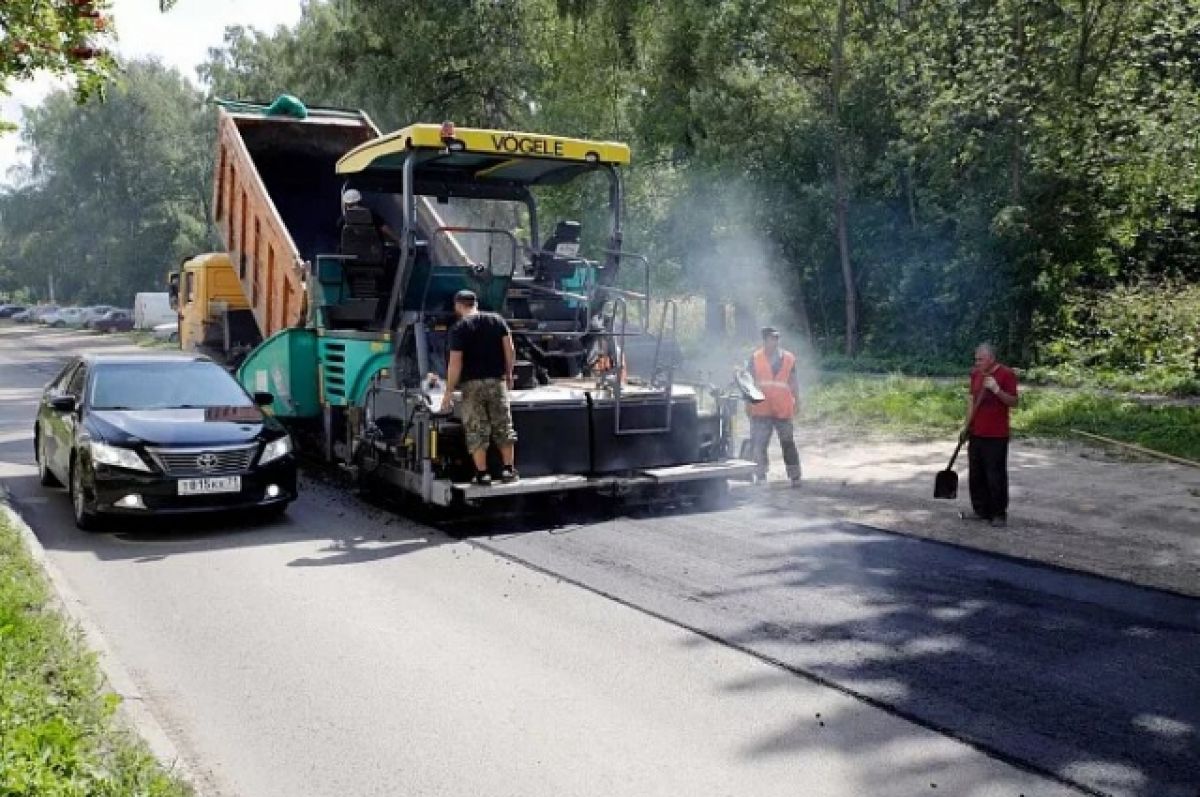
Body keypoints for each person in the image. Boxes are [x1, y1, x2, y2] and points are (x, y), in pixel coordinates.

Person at [438, 290, 519, 485]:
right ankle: (508, 470)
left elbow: (455, 363)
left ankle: (482, 474)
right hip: (496, 382)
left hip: (471, 385)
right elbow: (510, 350)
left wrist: (448, 392)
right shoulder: (497, 321)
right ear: (475, 303)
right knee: (503, 425)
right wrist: (508, 374)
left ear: (458, 306)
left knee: (476, 429)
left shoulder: (459, 329)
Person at [961, 342, 1019, 527]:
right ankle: (981, 511)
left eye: (980, 359)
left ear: (991, 358)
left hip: (996, 435)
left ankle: (999, 514)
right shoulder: (976, 374)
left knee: (995, 476)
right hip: (976, 432)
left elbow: (1014, 402)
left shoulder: (1006, 374)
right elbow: (971, 400)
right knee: (976, 475)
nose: (977, 362)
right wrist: (966, 426)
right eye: (976, 359)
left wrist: (996, 389)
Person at [743, 326, 801, 487]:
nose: (774, 341)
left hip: (782, 407)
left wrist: (798, 400)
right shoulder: (755, 358)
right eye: (771, 338)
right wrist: (748, 404)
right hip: (761, 407)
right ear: (764, 340)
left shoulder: (789, 358)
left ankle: (795, 476)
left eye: (776, 338)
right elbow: (748, 384)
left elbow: (794, 381)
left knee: (788, 442)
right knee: (759, 443)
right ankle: (761, 476)